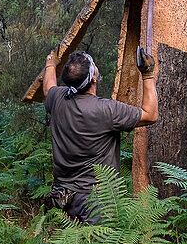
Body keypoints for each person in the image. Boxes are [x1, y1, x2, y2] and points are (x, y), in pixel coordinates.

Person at [42, 47, 159, 222]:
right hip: (97, 199)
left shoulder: (57, 98)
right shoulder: (106, 110)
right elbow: (150, 115)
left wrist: (50, 63)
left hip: (64, 194)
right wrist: (148, 74)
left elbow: (48, 88)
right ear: (93, 79)